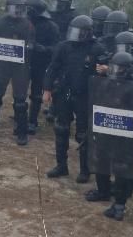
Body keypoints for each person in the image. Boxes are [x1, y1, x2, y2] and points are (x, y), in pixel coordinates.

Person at [85, 51, 133, 221]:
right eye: (114, 67)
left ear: (128, 69)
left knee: (122, 168)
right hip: (105, 129)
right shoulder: (104, 83)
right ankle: (103, 191)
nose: (116, 71)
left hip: (123, 135)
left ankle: (119, 205)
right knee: (101, 159)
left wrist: (130, 118)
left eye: (120, 68)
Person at [44, 15, 103, 182]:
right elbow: (52, 68)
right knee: (61, 129)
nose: (76, 35)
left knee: (84, 134)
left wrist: (105, 69)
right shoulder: (63, 46)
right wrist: (47, 89)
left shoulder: (96, 49)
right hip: (64, 93)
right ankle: (61, 166)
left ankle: (85, 170)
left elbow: (107, 67)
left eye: (79, 32)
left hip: (85, 96)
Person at [0, 0, 34, 145]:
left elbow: (32, 42)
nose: (17, 11)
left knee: (20, 100)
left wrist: (28, 47)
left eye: (20, 8)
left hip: (20, 66)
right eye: (15, 7)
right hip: (2, 64)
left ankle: (22, 132)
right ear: (8, 8)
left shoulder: (27, 25)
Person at [25, 0, 60, 134]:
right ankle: (21, 116)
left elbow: (57, 49)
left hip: (40, 62)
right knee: (20, 92)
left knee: (36, 93)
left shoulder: (51, 26)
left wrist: (43, 49)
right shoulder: (23, 23)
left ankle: (32, 121)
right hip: (24, 61)